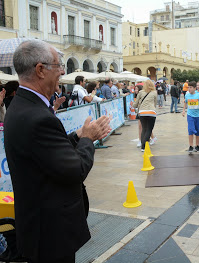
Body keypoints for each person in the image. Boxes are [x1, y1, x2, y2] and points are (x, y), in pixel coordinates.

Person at [4, 39, 111, 263]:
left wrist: (77, 137)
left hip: (39, 226)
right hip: (51, 231)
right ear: (40, 70)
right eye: (58, 66)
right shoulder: (37, 115)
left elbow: (46, 152)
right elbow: (75, 169)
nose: (62, 71)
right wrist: (89, 139)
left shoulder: (22, 106)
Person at [132, 79, 157, 152]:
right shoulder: (154, 92)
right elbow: (155, 103)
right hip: (151, 112)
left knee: (144, 128)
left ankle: (142, 146)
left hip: (142, 112)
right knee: (149, 129)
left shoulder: (140, 92)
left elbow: (136, 104)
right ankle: (144, 146)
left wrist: (133, 105)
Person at [182, 81, 199, 152]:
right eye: (188, 87)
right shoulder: (187, 95)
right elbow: (185, 103)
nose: (189, 89)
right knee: (191, 130)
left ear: (195, 88)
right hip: (190, 115)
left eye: (191, 87)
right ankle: (191, 146)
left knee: (198, 131)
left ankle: (197, 145)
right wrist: (183, 111)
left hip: (198, 116)